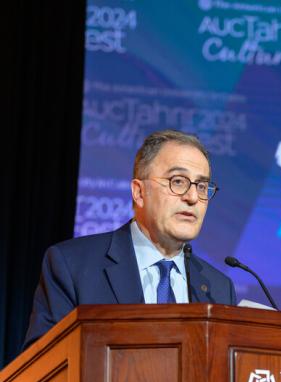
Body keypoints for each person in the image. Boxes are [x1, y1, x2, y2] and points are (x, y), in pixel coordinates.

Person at [23, 129, 236, 348]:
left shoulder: (219, 288)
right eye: (178, 181)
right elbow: (44, 364)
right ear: (139, 192)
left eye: (201, 186)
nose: (192, 197)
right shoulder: (71, 266)